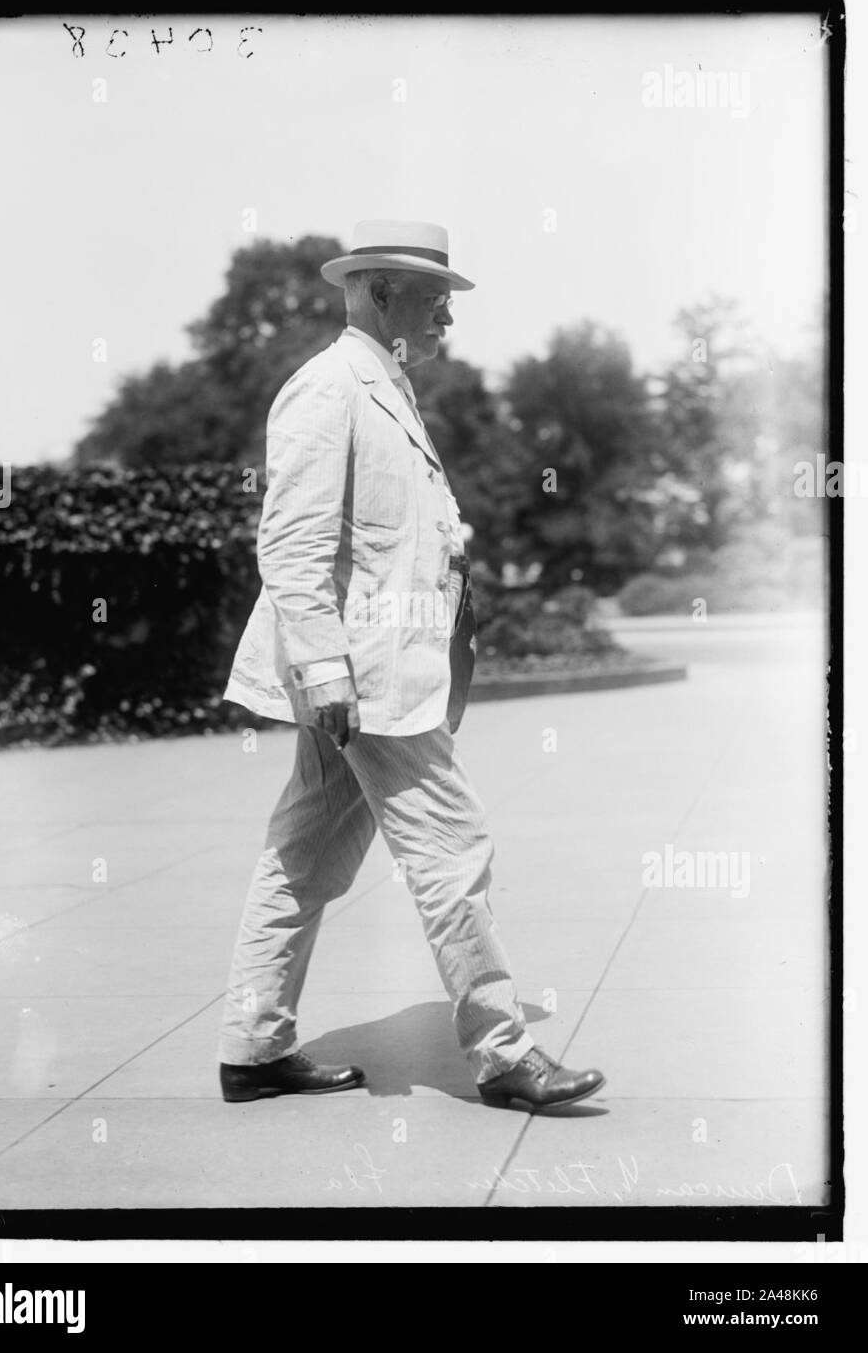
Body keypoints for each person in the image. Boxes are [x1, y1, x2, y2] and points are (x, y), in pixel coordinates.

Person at [218, 219, 605, 1113]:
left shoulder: (384, 385)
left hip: (374, 675)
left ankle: (254, 1046)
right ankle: (505, 1055)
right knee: (453, 845)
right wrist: (322, 673)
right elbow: (292, 546)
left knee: (303, 857)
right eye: (435, 301)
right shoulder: (329, 388)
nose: (448, 320)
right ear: (378, 293)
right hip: (364, 682)